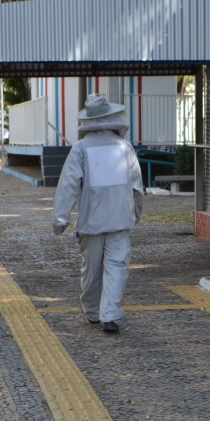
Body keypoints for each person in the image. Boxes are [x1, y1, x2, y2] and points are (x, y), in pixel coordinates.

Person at [52, 94, 144, 334]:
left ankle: (93, 311)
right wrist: (135, 214)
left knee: (91, 269)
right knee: (117, 266)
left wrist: (61, 218)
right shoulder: (125, 147)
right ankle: (110, 315)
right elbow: (137, 186)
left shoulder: (80, 148)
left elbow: (69, 185)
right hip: (120, 219)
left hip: (91, 222)